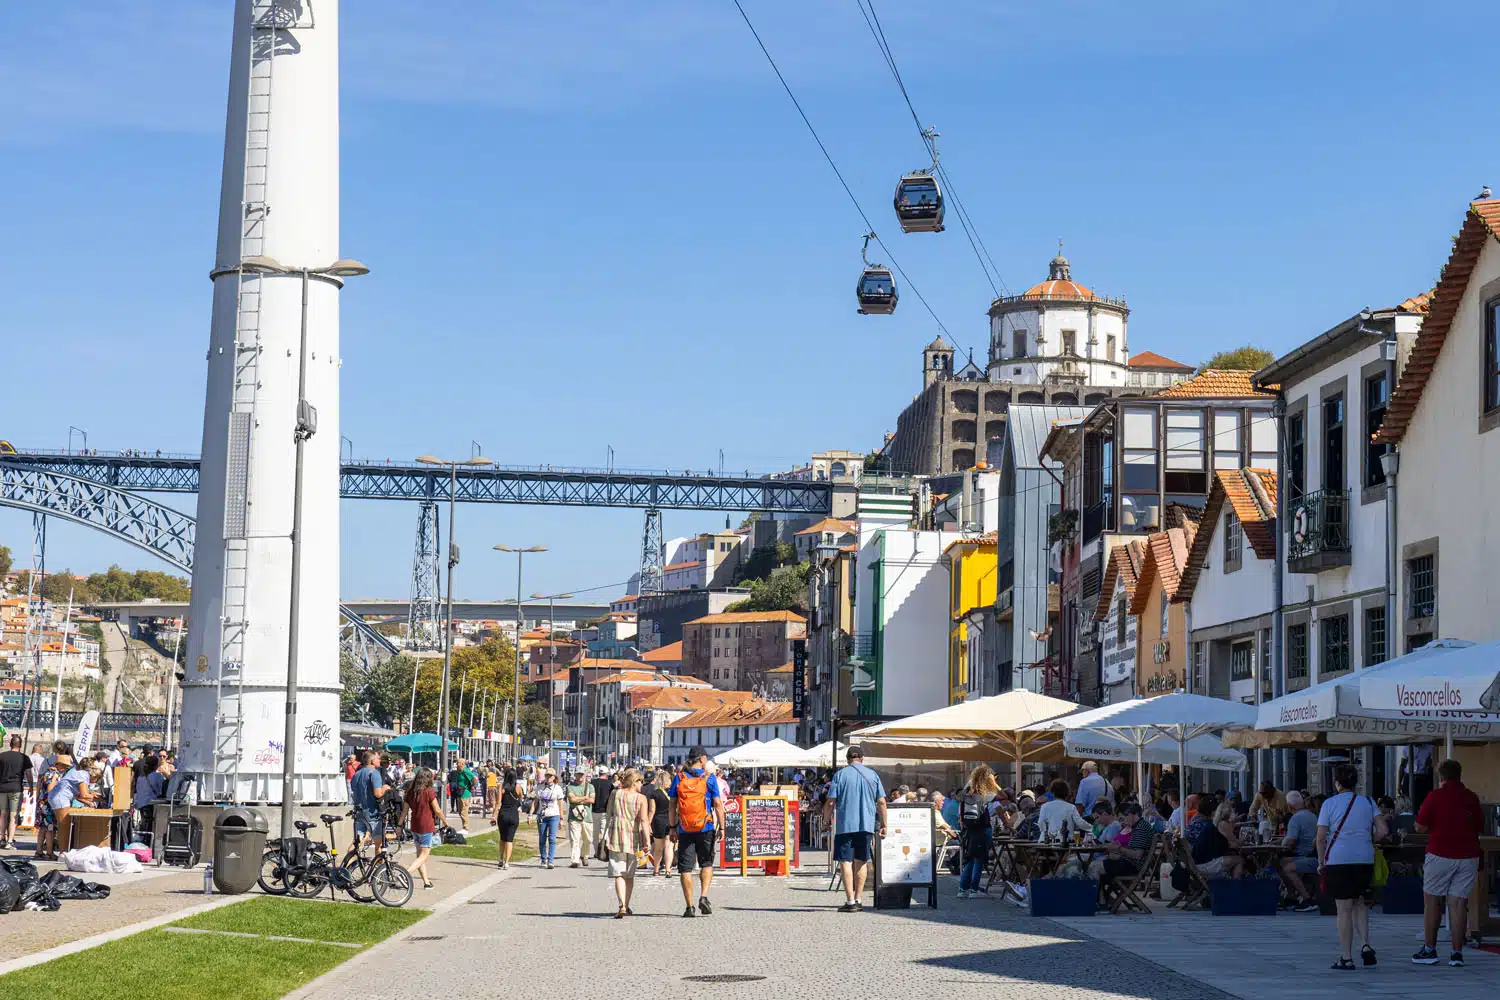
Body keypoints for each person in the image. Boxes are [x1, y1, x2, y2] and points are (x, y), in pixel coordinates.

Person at [1412, 758, 1484, 967]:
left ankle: (1429, 949)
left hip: (1440, 853)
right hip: (1468, 855)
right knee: (1459, 902)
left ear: (1441, 776)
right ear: (1460, 775)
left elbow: (1420, 826)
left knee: (1433, 901)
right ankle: (1456, 953)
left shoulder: (1435, 796)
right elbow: (1479, 824)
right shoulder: (1471, 797)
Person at [1317, 763, 1387, 971]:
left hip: (1339, 859)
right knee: (1359, 903)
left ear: (1337, 783)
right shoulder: (1367, 801)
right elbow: (1383, 830)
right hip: (1364, 858)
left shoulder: (1329, 804)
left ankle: (1346, 957)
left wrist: (1321, 862)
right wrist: (1367, 839)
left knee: (1343, 909)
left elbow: (1321, 838)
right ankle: (1365, 944)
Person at [822, 746, 887, 913]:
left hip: (845, 825)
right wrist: (885, 824)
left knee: (845, 861)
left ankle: (850, 901)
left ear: (847, 758)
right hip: (866, 824)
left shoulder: (840, 775)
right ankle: (859, 899)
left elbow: (830, 802)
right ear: (862, 758)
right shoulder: (873, 775)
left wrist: (825, 820)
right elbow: (881, 802)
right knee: (862, 860)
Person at [669, 748, 724, 917]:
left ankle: (689, 906)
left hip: (685, 829)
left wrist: (672, 827)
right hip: (705, 828)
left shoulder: (679, 777)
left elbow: (672, 805)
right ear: (702, 759)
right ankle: (704, 896)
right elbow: (717, 804)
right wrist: (722, 826)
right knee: (706, 863)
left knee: (685, 868)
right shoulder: (709, 778)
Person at [604, 767, 650, 918]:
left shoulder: (615, 794)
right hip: (633, 837)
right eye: (640, 782)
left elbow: (609, 813)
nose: (642, 785)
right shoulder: (641, 798)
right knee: (629, 875)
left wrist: (604, 835)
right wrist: (647, 842)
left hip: (616, 835)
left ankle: (622, 904)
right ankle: (627, 905)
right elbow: (644, 821)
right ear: (635, 781)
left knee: (618, 873)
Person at [955, 764, 998, 899]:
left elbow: (961, 814)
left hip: (969, 829)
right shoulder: (986, 794)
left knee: (970, 858)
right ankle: (974, 890)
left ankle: (962, 889)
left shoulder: (966, 793)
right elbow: (1000, 793)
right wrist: (993, 781)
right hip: (983, 828)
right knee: (979, 859)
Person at [1276, 791, 1320, 912]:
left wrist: (1280, 844)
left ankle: (1306, 900)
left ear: (1290, 807)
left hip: (1308, 857)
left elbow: (1290, 841)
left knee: (1287, 868)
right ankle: (1291, 896)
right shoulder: (1312, 815)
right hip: (1314, 855)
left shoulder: (1295, 819)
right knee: (1280, 863)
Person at [1186, 794, 1243, 878]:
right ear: (1213, 812)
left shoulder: (1197, 822)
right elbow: (1224, 845)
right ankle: (1235, 888)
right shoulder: (1209, 825)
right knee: (1239, 860)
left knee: (1231, 858)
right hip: (1204, 864)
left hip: (1195, 862)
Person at [49, 753, 95, 854]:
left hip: (56, 796)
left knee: (63, 827)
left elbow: (78, 795)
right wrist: (93, 796)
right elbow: (84, 794)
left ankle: (63, 851)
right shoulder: (84, 774)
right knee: (64, 827)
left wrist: (90, 797)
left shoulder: (76, 771)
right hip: (61, 798)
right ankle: (63, 852)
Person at [406, 768, 442, 889]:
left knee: (420, 856)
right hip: (426, 825)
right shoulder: (429, 791)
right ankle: (406, 873)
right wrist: (445, 822)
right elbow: (437, 810)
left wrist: (400, 825)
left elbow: (404, 811)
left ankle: (426, 882)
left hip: (414, 825)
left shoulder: (411, 792)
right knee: (424, 855)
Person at [349, 750, 387, 850]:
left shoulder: (357, 774)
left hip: (359, 811)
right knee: (379, 842)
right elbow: (378, 794)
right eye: (378, 758)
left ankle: (347, 862)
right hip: (372, 812)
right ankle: (379, 865)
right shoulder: (374, 773)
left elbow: (353, 790)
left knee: (357, 841)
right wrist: (385, 788)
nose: (380, 760)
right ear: (372, 761)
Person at [0, 734, 32, 850]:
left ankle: (1, 838)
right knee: (13, 816)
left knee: (3, 814)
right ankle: (9, 841)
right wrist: (32, 789)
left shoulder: (2, 756)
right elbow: (29, 774)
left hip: (2, 789)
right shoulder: (24, 758)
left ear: (10, 744)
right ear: (21, 745)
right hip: (16, 789)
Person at [534, 770, 565, 868]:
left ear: (554, 777)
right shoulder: (540, 787)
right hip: (542, 815)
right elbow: (536, 801)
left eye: (550, 776)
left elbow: (560, 804)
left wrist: (561, 818)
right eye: (547, 775)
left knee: (552, 838)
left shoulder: (558, 789)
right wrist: (531, 814)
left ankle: (550, 860)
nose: (548, 778)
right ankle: (543, 859)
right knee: (542, 838)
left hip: (554, 815)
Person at [494, 768, 523, 869]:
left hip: (503, 813)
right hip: (514, 814)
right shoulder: (518, 786)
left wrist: (494, 815)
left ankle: (501, 859)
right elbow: (520, 798)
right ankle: (507, 862)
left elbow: (498, 802)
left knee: (502, 838)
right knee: (509, 840)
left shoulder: (501, 786)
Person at [565, 771, 596, 867]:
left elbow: (592, 800)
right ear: (575, 775)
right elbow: (571, 800)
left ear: (585, 775)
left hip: (587, 817)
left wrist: (578, 799)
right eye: (578, 774)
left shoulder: (590, 786)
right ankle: (575, 860)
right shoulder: (570, 786)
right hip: (574, 817)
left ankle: (584, 856)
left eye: (582, 774)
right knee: (575, 839)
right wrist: (584, 798)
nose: (580, 776)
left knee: (588, 839)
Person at [647, 769, 674, 876]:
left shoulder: (654, 793)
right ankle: (668, 870)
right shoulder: (672, 793)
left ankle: (656, 869)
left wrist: (648, 824)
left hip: (658, 821)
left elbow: (652, 810)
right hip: (670, 820)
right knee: (669, 846)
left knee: (658, 848)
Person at [590, 769, 615, 861]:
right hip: (605, 811)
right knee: (605, 832)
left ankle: (596, 851)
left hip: (593, 810)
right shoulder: (610, 784)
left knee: (595, 833)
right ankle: (604, 851)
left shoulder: (592, 782)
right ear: (606, 774)